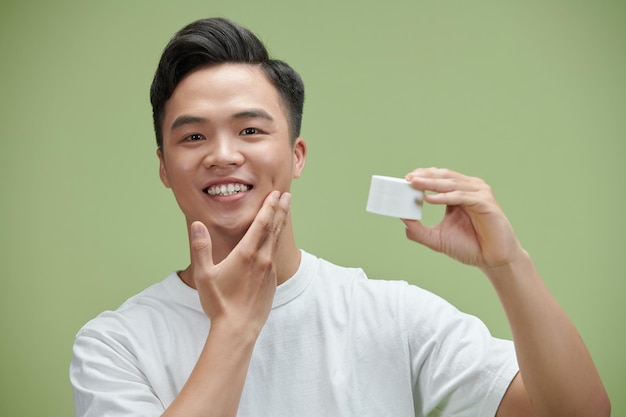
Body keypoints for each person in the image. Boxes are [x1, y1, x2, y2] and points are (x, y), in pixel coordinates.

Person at [69, 17, 610, 417]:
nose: (223, 155)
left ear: (297, 155)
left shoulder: (389, 316)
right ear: (164, 168)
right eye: (193, 136)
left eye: (251, 130)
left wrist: (508, 264)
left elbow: (578, 412)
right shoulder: (116, 344)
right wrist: (234, 328)